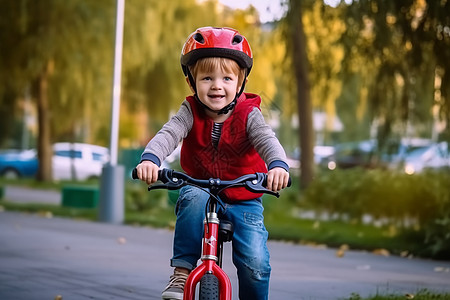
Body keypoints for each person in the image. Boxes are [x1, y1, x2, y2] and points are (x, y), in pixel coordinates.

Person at [135, 26, 290, 300]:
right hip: (200, 188)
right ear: (192, 82)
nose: (217, 85)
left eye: (227, 78)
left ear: (240, 82)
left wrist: (277, 165)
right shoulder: (189, 111)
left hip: (245, 196)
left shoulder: (248, 114)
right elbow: (169, 134)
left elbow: (266, 139)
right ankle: (182, 274)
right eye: (207, 77)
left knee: (255, 262)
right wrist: (151, 159)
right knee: (192, 197)